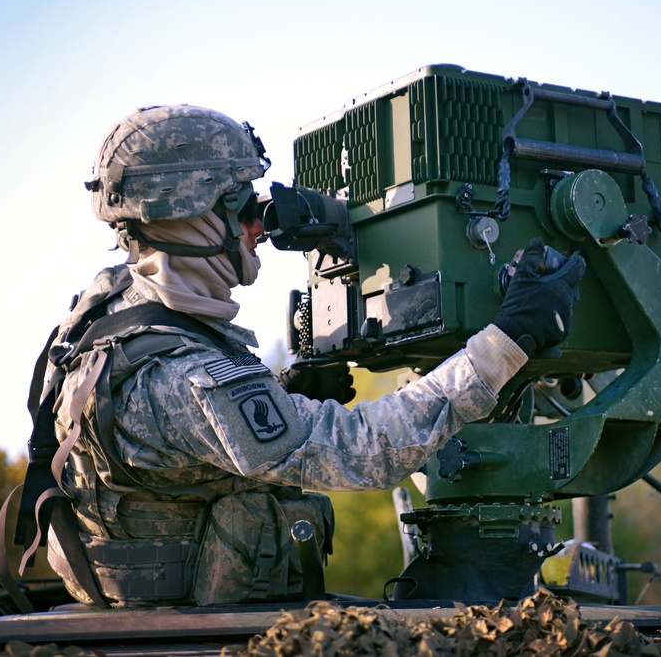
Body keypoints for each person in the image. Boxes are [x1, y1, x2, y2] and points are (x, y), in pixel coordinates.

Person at [30, 104, 585, 608]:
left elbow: (183, 451)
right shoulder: (180, 374)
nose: (258, 226)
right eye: (243, 206)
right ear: (191, 217)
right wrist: (508, 341)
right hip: (192, 625)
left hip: (149, 606)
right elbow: (362, 451)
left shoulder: (103, 316)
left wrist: (283, 397)